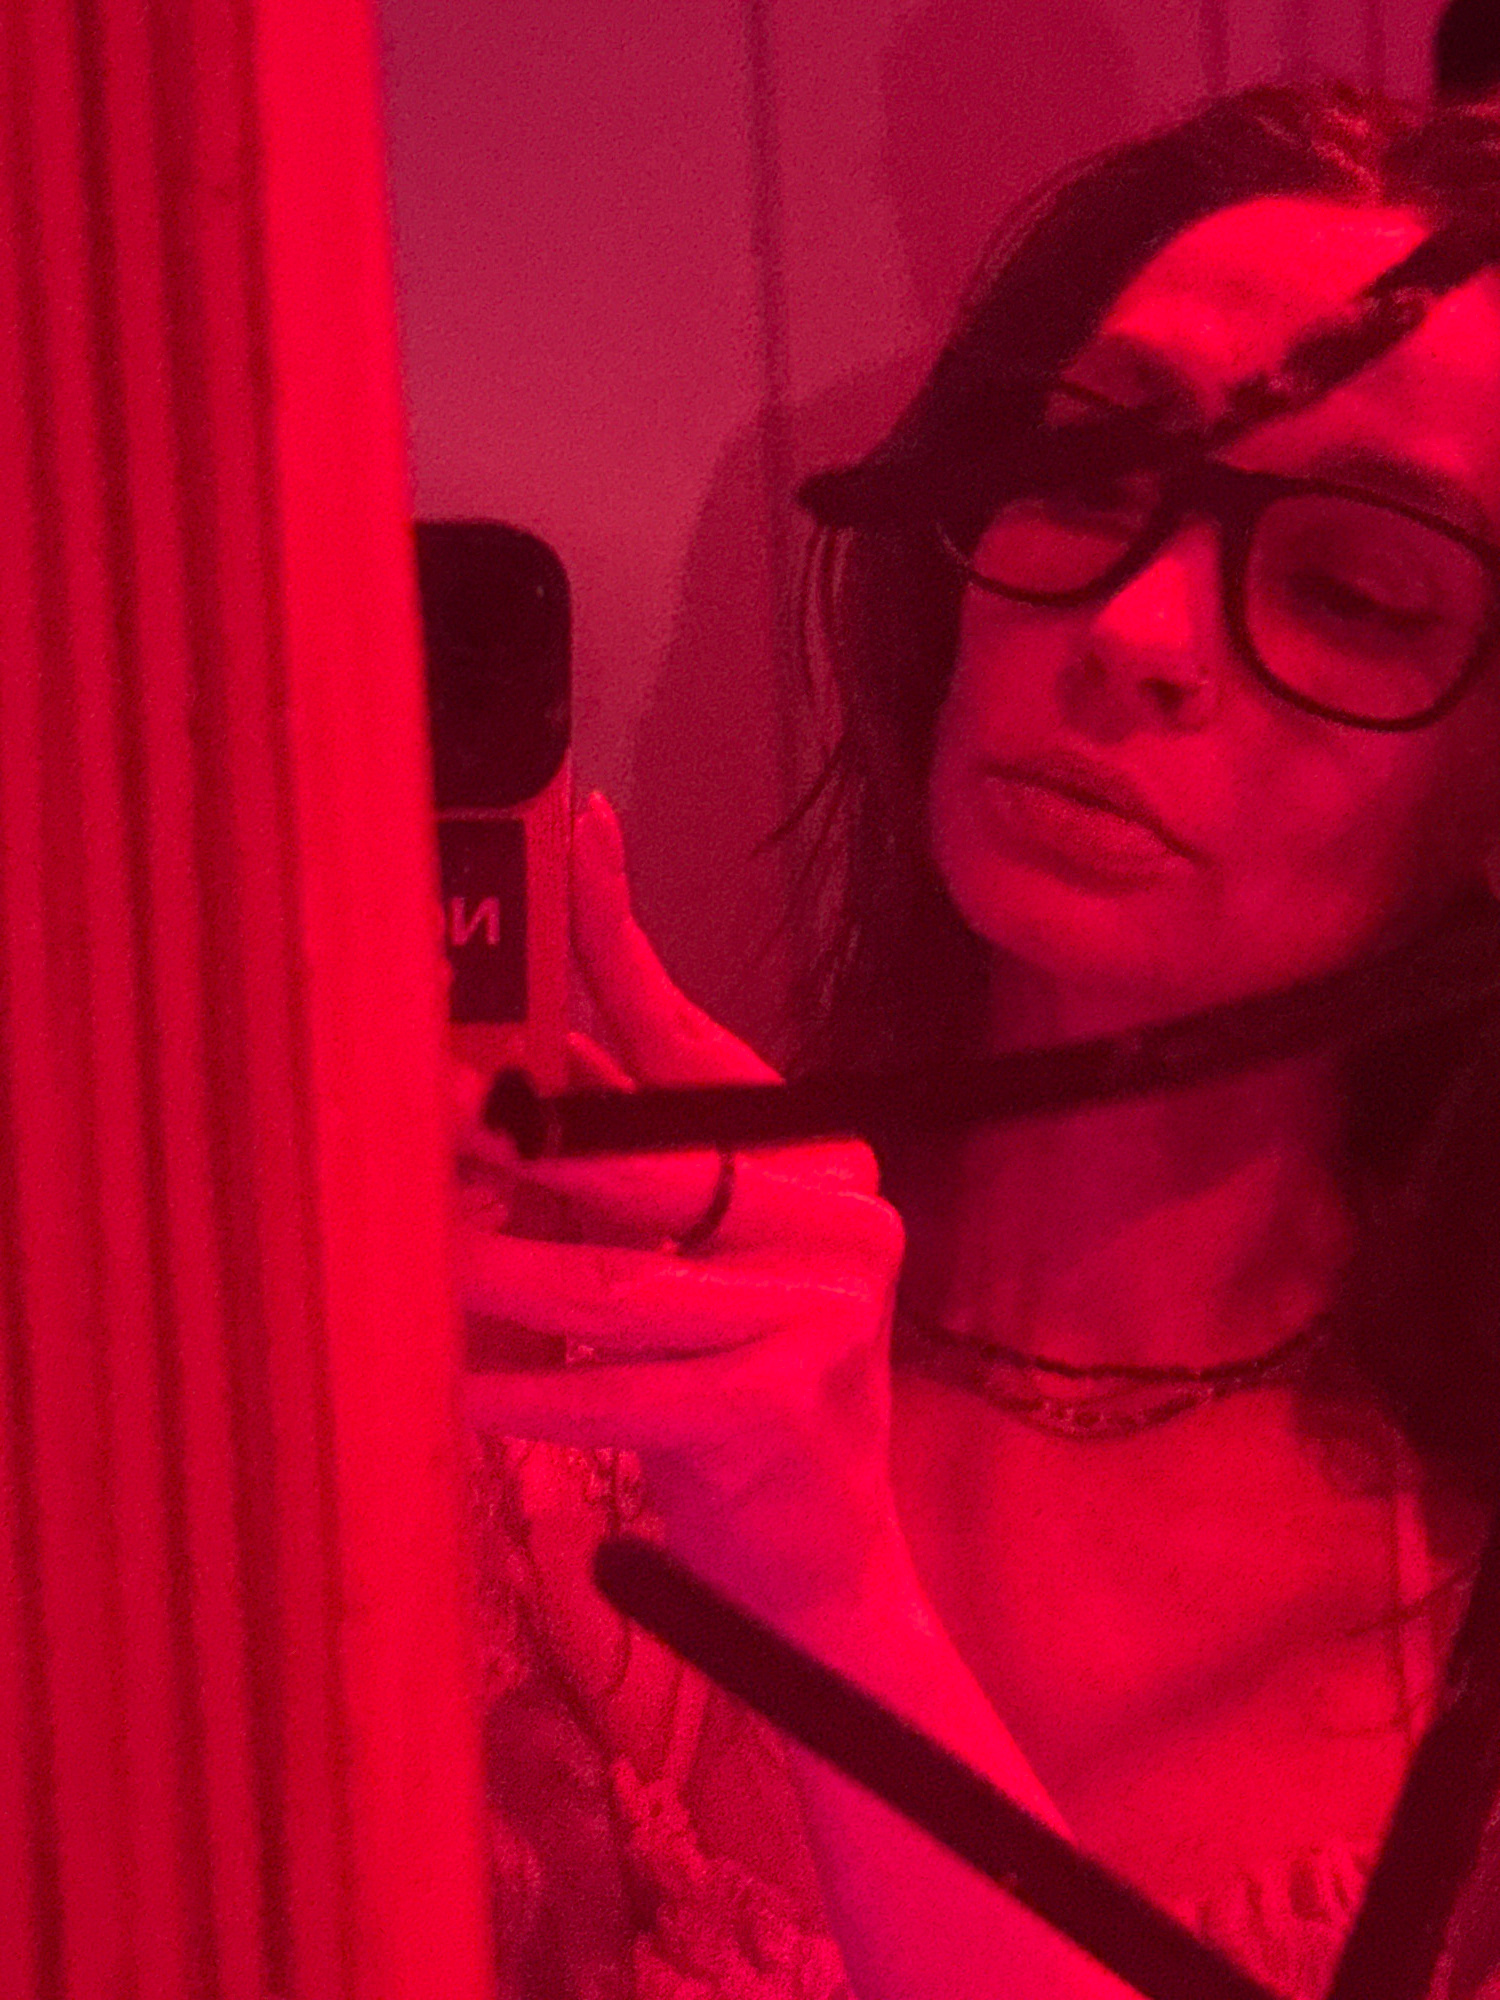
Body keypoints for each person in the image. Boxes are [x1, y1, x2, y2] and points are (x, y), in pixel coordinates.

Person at [454, 79, 1500, 2000]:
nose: (1135, 631)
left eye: (1352, 589)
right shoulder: (582, 1427)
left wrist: (830, 1588)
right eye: (1088, 468)